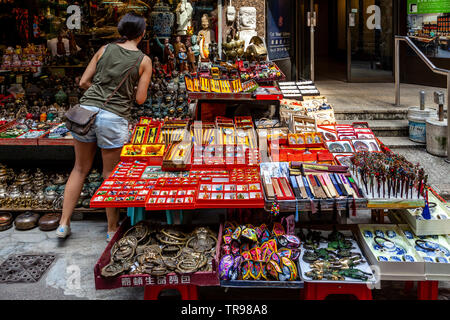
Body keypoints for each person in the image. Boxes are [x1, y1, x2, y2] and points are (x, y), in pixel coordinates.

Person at [56, 12, 152, 241]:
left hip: (86, 112)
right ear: (142, 33)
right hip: (113, 118)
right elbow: (140, 99)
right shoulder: (143, 60)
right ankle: (111, 229)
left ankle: (63, 224)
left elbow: (83, 82)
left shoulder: (104, 49)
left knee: (79, 168)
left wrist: (98, 95)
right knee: (110, 173)